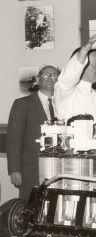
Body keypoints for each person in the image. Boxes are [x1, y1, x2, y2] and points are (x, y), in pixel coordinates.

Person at [6, 66, 60, 201]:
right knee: (29, 208)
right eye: (46, 75)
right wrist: (14, 170)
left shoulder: (63, 104)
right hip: (30, 169)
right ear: (37, 79)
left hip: (58, 169)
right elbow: (13, 140)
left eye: (54, 75)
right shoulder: (22, 104)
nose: (50, 78)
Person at [55, 33, 96, 121]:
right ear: (82, 66)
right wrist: (85, 49)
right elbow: (69, 75)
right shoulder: (65, 90)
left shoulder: (95, 95)